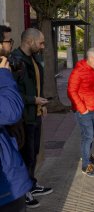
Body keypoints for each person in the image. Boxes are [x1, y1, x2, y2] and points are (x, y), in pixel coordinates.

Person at [11, 28, 53, 208]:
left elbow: (37, 85)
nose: (43, 46)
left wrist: (41, 104)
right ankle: (24, 191)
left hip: (35, 115)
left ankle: (32, 184)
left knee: (34, 152)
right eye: (41, 43)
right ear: (30, 41)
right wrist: (32, 100)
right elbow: (11, 94)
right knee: (25, 155)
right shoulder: (14, 60)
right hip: (23, 118)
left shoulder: (34, 59)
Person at [0, 25, 33, 211]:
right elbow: (10, 111)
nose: (10, 45)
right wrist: (4, 76)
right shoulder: (3, 74)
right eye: (7, 41)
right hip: (6, 187)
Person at [67, 47, 94, 177]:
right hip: (84, 111)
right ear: (91, 58)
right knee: (88, 136)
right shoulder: (78, 71)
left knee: (92, 134)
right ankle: (85, 165)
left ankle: (87, 155)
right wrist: (82, 109)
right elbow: (71, 91)